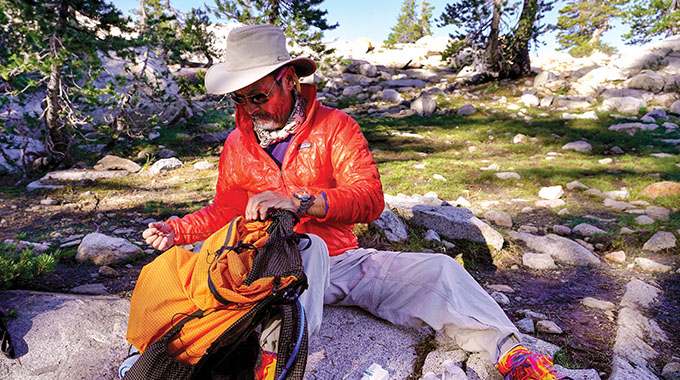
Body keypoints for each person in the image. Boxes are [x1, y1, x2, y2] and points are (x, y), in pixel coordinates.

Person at [140, 24, 570, 380]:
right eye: (240, 98)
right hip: (266, 267)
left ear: (289, 79)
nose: (251, 107)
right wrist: (176, 229)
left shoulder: (335, 127)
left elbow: (369, 199)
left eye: (259, 95)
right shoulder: (237, 143)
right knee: (302, 249)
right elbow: (225, 210)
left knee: (438, 270)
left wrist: (299, 201)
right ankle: (277, 364)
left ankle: (511, 355)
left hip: (341, 261)